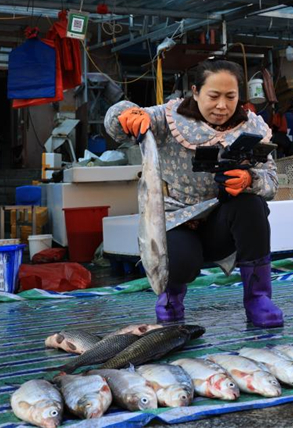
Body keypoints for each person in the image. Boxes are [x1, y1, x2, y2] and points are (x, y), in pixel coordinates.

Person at [104, 60, 283, 328]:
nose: (222, 106)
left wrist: (250, 179)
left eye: (230, 97)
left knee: (252, 205)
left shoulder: (253, 128)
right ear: (195, 91)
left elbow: (271, 182)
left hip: (221, 227)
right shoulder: (169, 118)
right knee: (179, 263)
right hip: (178, 222)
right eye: (213, 96)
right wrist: (127, 115)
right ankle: (171, 298)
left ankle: (258, 299)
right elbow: (117, 123)